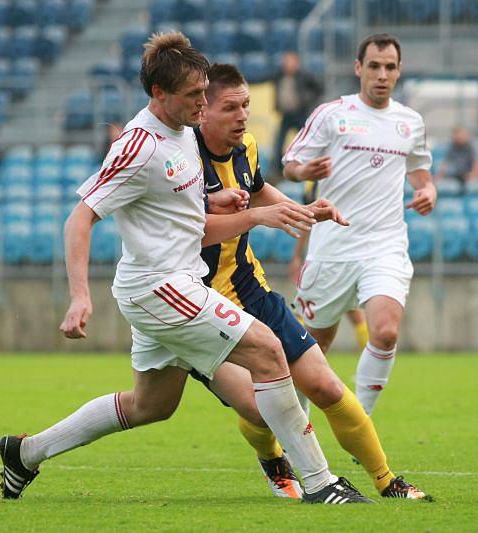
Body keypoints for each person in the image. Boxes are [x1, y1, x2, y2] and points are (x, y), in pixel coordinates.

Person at [0, 32, 370, 505]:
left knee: (150, 406)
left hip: (174, 283)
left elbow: (177, 212)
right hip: (159, 287)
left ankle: (25, 454)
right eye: (193, 95)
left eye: (202, 91)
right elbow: (81, 217)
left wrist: (216, 200)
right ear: (159, 94)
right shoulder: (138, 145)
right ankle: (321, 484)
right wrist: (79, 296)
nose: (200, 102)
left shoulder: (181, 133)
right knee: (268, 351)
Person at [189, 63, 426, 500]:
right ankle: (275, 461)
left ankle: (387, 481)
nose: (243, 115)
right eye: (231, 107)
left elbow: (259, 190)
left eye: (245, 105)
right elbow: (189, 226)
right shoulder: (180, 158)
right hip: (193, 303)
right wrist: (259, 216)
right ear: (202, 111)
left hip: (250, 290)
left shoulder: (249, 147)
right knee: (256, 410)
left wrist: (304, 211)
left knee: (324, 384)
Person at [282, 34, 437, 419]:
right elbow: (290, 165)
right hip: (332, 246)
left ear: (399, 71)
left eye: (390, 67)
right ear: (358, 68)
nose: (382, 74)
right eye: (374, 66)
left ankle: (359, 421)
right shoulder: (332, 115)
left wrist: (428, 191)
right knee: (312, 347)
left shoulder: (410, 123)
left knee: (384, 332)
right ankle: (293, 429)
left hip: (385, 245)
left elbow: (421, 173)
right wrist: (306, 170)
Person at [289, 180, 370, 352]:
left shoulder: (319, 182)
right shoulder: (315, 180)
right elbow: (309, 217)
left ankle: (305, 364)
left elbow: (308, 220)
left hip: (328, 257)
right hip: (339, 253)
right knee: (354, 316)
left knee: (304, 313)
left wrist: (297, 254)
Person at [271, 51, 323, 176]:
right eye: (286, 62)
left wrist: (306, 100)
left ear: (297, 63)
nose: (287, 65)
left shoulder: (304, 75)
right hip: (286, 115)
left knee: (305, 142)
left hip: (300, 114)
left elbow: (319, 88)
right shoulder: (279, 76)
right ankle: (279, 171)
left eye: (290, 62)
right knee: (279, 142)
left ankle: (307, 166)